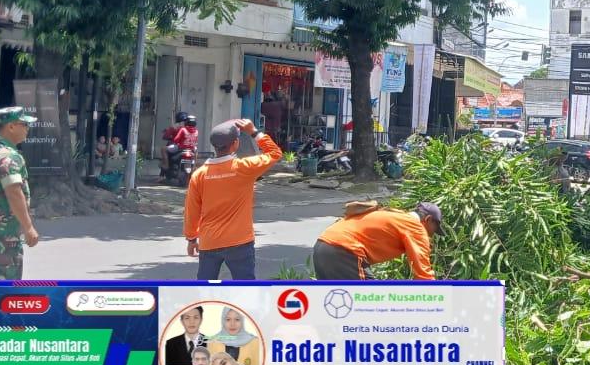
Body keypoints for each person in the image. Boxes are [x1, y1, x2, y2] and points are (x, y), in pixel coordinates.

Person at [183, 119, 282, 280]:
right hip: (240, 241)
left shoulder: (199, 175)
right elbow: (275, 153)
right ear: (235, 143)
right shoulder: (244, 168)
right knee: (245, 289)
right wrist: (254, 132)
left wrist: (191, 238)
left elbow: (192, 210)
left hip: (209, 242)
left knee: (207, 288)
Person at [0, 107, 40, 280]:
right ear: (11, 126)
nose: (27, 128)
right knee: (4, 289)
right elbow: (14, 193)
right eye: (24, 124)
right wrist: (28, 227)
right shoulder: (8, 157)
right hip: (3, 233)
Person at [312, 202, 443, 280]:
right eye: (434, 229)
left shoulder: (396, 215)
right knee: (370, 303)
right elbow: (424, 276)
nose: (431, 235)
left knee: (333, 303)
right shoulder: (416, 228)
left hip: (322, 246)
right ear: (428, 219)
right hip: (344, 250)